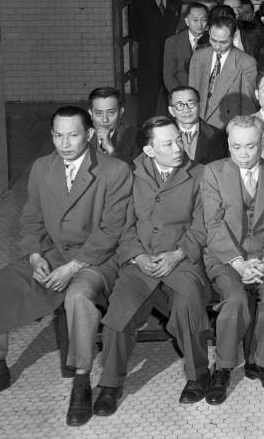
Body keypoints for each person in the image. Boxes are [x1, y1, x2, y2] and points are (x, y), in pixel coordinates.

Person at [0, 107, 132, 427]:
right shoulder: (42, 167)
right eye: (58, 135)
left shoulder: (115, 171)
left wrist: (74, 266)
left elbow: (111, 231)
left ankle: (81, 383)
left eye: (73, 135)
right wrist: (36, 255)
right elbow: (31, 220)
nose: (64, 143)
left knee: (77, 298)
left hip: (99, 259)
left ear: (90, 135)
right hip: (52, 254)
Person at [93, 117, 210, 414]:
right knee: (119, 310)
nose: (178, 147)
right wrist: (137, 256)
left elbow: (203, 226)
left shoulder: (200, 174)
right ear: (148, 149)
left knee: (188, 303)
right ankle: (110, 382)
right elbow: (122, 225)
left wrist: (178, 254)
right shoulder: (130, 175)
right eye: (168, 143)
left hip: (181, 259)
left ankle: (198, 374)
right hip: (140, 258)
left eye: (179, 140)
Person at [200, 115, 264, 405]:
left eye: (250, 146)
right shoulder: (212, 172)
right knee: (235, 299)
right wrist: (239, 263)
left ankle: (260, 363)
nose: (244, 154)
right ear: (228, 144)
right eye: (236, 147)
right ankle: (223, 368)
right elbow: (212, 225)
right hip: (225, 257)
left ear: (261, 143)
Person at [129, 0, 184, 124]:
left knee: (174, 100)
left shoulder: (176, 1)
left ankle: (176, 132)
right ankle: (144, 137)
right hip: (149, 60)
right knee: (147, 103)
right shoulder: (138, 4)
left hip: (172, 60)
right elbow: (135, 33)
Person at [189, 14, 258, 130]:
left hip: (227, 127)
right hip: (199, 124)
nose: (217, 46)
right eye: (213, 40)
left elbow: (248, 104)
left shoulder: (246, 62)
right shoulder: (198, 56)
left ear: (234, 36)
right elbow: (191, 93)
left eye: (223, 42)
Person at [167, 85, 227, 164]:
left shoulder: (218, 137)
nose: (186, 109)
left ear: (200, 106)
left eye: (191, 103)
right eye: (179, 105)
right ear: (171, 111)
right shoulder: (163, 135)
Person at [163, 2, 209, 94]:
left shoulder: (213, 41)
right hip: (182, 91)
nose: (199, 24)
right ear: (187, 21)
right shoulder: (172, 42)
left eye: (203, 20)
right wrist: (180, 95)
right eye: (195, 20)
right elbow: (169, 75)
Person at [88, 86, 139, 164]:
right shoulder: (82, 137)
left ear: (121, 112)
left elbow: (130, 173)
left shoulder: (136, 137)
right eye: (99, 113)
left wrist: (110, 148)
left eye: (111, 112)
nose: (105, 120)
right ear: (91, 113)